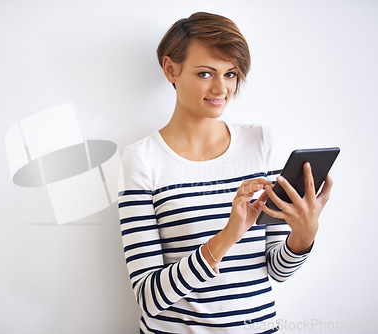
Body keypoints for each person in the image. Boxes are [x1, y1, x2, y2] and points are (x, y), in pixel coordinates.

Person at [118, 12, 333, 333]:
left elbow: (275, 271)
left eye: (231, 74)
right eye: (205, 73)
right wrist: (229, 235)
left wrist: (304, 236)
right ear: (170, 69)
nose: (221, 88)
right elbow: (148, 297)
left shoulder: (261, 142)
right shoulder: (141, 160)